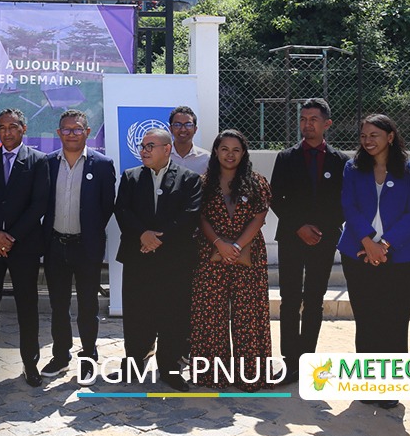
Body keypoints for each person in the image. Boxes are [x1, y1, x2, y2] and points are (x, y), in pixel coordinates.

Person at [337, 114, 410, 409]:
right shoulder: (352, 168)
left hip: (401, 257)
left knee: (395, 320)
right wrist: (367, 242)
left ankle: (390, 387)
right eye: (363, 136)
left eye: (374, 135)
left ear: (390, 136)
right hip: (358, 253)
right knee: (367, 319)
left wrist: (384, 245)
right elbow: (348, 205)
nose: (367, 141)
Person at [113, 127, 201, 390]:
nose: (144, 151)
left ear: (167, 149)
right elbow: (122, 210)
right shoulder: (131, 176)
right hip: (138, 257)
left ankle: (170, 368)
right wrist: (143, 235)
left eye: (150, 146)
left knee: (174, 315)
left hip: (174, 261)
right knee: (137, 314)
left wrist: (158, 238)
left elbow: (190, 214)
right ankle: (134, 363)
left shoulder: (188, 179)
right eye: (142, 146)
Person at [269, 98, 349, 383]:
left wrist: (321, 229)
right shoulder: (286, 157)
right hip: (291, 237)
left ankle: (307, 360)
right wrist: (299, 227)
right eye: (303, 119)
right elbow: (275, 197)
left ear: (327, 124)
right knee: (289, 298)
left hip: (324, 239)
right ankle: (290, 361)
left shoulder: (341, 161)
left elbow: (346, 201)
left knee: (314, 299)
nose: (307, 124)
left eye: (313, 119)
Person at [0, 108, 50, 387]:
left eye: (13, 126)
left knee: (27, 306)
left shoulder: (38, 161)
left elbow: (39, 204)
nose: (7, 132)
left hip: (24, 246)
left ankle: (30, 362)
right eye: (2, 127)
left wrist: (11, 236)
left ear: (23, 129)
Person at [193, 129, 274, 391]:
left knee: (249, 316)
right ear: (216, 151)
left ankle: (251, 374)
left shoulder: (256, 182)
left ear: (244, 153)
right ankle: (212, 375)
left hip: (249, 255)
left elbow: (259, 217)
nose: (230, 155)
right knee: (210, 315)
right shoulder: (203, 183)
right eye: (225, 149)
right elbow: (200, 218)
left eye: (236, 150)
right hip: (211, 256)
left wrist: (237, 246)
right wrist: (219, 243)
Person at [41, 109, 116, 386]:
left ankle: (88, 358)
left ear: (87, 132)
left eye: (77, 129)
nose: (71, 134)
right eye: (66, 129)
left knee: (88, 306)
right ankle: (60, 356)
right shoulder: (48, 163)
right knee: (59, 306)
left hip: (87, 248)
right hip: (55, 246)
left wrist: (90, 233)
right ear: (58, 133)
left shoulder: (103, 165)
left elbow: (107, 206)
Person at [168, 106, 210, 175]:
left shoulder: (206, 159)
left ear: (195, 129)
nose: (183, 129)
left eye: (188, 125)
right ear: (170, 129)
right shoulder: (162, 156)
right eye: (177, 125)